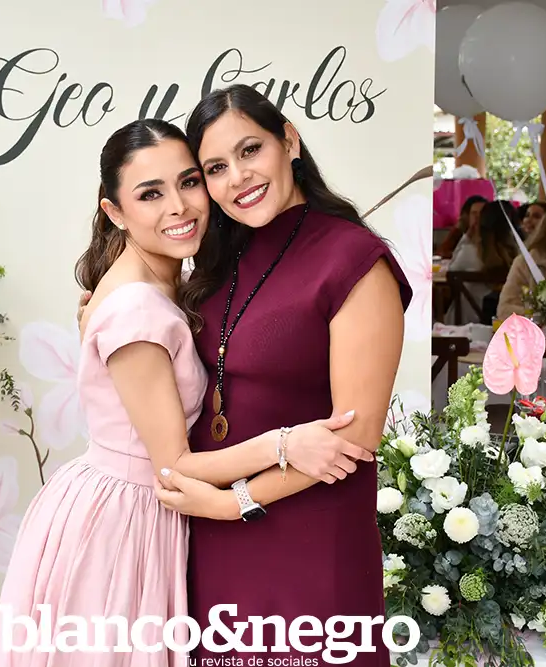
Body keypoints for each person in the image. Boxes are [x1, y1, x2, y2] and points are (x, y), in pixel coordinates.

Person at [0, 118, 374, 667]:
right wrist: (285, 444)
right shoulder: (136, 308)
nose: (179, 206)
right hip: (124, 521)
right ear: (114, 212)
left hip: (153, 511)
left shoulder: (172, 285)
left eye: (189, 182)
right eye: (150, 194)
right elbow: (174, 465)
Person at [158, 83, 409, 666]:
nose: (238, 177)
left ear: (289, 142)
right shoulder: (216, 264)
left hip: (308, 535)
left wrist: (233, 503)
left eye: (250, 150)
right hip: (213, 540)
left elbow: (356, 436)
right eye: (216, 168)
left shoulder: (354, 260)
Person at [445, 200, 520, 324]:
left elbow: (451, 272)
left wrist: (466, 238)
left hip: (466, 324)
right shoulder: (519, 260)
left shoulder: (468, 253)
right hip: (506, 324)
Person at [436, 194, 488, 259]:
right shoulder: (460, 232)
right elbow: (441, 253)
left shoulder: (491, 234)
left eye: (482, 213)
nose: (478, 217)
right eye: (474, 213)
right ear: (467, 215)